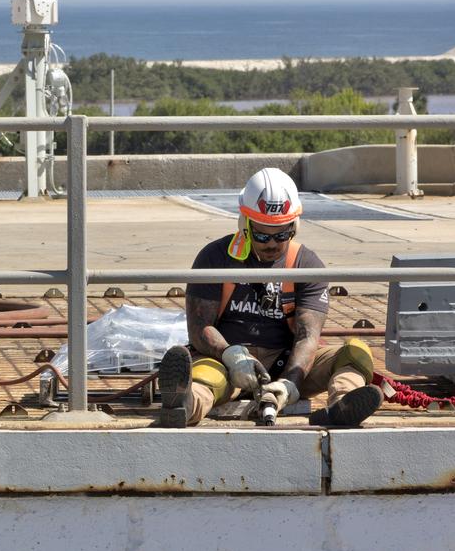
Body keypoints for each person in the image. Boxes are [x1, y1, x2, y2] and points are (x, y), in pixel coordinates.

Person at [158, 168, 383, 429]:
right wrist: (232, 356)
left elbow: (307, 337)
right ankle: (184, 405)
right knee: (206, 380)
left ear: (294, 227)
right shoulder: (215, 258)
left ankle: (343, 406)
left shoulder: (306, 265)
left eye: (281, 234)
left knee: (356, 352)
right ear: (246, 225)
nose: (272, 244)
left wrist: (289, 384)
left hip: (287, 365)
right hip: (226, 364)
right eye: (262, 235)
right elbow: (199, 328)